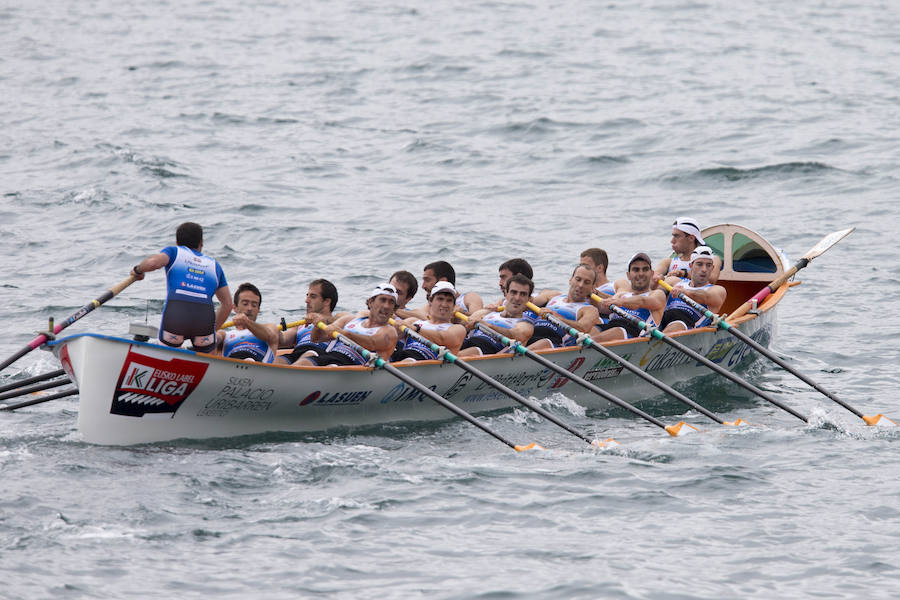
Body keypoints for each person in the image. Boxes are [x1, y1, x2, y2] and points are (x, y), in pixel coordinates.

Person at [130, 222, 231, 353]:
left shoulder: (174, 251)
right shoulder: (214, 265)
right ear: (201, 243)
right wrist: (211, 331)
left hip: (176, 315)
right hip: (204, 319)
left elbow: (153, 263)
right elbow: (228, 304)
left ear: (177, 241)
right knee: (207, 354)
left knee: (166, 353)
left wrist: (138, 270)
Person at [297, 284, 399, 366]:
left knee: (330, 367)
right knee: (304, 362)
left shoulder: (389, 331)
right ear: (371, 302)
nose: (386, 306)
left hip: (352, 365)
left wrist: (345, 334)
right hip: (331, 356)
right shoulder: (349, 320)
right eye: (383, 300)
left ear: (394, 309)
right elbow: (316, 338)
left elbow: (371, 343)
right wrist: (318, 323)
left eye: (391, 302)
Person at [592, 252, 667, 342]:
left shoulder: (657, 294)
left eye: (645, 269)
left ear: (652, 273)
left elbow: (642, 301)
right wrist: (592, 294)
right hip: (612, 327)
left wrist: (622, 302)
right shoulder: (622, 295)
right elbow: (602, 308)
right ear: (628, 275)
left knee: (615, 331)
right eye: (636, 270)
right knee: (590, 330)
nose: (641, 274)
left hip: (636, 332)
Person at [459, 274, 535, 357]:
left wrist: (487, 325)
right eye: (513, 292)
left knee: (470, 350)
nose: (517, 298)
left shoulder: (525, 324)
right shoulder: (488, 312)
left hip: (486, 349)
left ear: (529, 299)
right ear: (506, 293)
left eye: (523, 294)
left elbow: (515, 334)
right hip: (466, 342)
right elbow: (465, 322)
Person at [527, 264, 600, 350]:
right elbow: (527, 303)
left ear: (592, 288)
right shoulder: (553, 295)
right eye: (578, 279)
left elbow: (583, 328)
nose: (581, 285)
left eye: (586, 282)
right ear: (570, 280)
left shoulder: (589, 309)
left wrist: (557, 317)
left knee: (543, 343)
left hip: (554, 342)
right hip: (531, 334)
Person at [392, 281, 467, 361]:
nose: (444, 304)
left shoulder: (458, 329)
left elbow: (442, 338)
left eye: (449, 301)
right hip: (404, 356)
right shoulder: (413, 321)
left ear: (453, 306)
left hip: (424, 361)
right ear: (430, 301)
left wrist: (416, 329)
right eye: (440, 299)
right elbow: (391, 336)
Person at [660, 246, 727, 333]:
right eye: (699, 264)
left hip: (688, 323)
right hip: (663, 319)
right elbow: (652, 293)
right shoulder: (674, 281)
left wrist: (685, 292)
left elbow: (705, 297)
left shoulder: (718, 290)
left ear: (712, 268)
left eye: (708, 265)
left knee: (678, 321)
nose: (704, 269)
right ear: (691, 266)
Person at [276, 279, 341, 365]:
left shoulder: (337, 321)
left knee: (308, 354)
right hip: (296, 353)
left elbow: (349, 320)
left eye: (313, 296)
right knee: (276, 360)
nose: (306, 300)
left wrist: (321, 319)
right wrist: (272, 332)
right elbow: (283, 340)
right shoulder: (300, 325)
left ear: (327, 301)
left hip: (319, 356)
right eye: (307, 295)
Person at [397, 260, 484, 319]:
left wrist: (463, 313)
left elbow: (478, 317)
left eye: (427, 280)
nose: (423, 286)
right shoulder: (431, 306)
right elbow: (419, 315)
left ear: (443, 281)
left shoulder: (469, 298)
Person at [216, 283, 280, 363]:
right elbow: (212, 339)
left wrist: (247, 322)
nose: (249, 308)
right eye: (245, 304)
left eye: (254, 305)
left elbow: (270, 336)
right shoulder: (224, 334)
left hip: (259, 365)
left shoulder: (269, 327)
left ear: (258, 310)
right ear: (235, 308)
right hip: (232, 363)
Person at [654, 217, 721, 284]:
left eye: (677, 236)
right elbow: (654, 277)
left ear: (691, 238)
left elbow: (712, 279)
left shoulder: (712, 259)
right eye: (673, 236)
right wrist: (656, 278)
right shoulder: (667, 262)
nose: (672, 241)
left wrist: (683, 273)